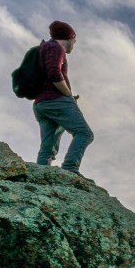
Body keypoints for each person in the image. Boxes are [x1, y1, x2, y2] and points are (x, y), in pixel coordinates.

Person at [33, 21, 93, 177]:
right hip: (57, 101)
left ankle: (40, 174)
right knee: (84, 133)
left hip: (41, 104)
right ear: (70, 37)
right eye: (74, 41)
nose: (74, 44)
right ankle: (70, 167)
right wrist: (68, 95)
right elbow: (54, 73)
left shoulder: (43, 49)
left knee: (48, 146)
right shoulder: (56, 48)